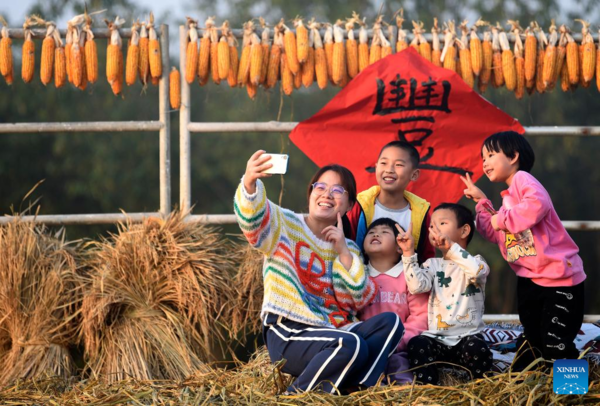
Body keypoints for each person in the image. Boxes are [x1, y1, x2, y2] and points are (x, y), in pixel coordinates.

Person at [234, 150, 404, 394]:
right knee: (350, 344)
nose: (327, 194)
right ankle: (294, 397)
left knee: (390, 323)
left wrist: (343, 252)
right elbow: (252, 222)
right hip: (289, 331)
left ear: (349, 205)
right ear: (311, 193)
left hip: (333, 331)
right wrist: (250, 182)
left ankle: (357, 390)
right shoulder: (285, 223)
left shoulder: (350, 249)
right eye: (320, 187)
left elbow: (355, 301)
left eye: (337, 191)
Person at [461, 131, 586, 371]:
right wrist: (482, 201)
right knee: (533, 341)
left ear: (514, 156)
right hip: (530, 280)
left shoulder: (523, 180)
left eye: (490, 154)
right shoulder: (508, 200)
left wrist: (500, 219)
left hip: (560, 280)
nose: (484, 162)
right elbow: (491, 230)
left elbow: (537, 205)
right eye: (482, 157)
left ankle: (573, 392)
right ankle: (528, 388)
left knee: (556, 343)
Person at [397, 203, 492, 385]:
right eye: (432, 226)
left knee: (478, 349)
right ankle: (429, 390)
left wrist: (452, 249)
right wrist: (408, 253)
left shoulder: (476, 262)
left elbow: (476, 272)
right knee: (418, 344)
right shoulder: (432, 264)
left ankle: (480, 389)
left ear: (464, 231)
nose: (434, 230)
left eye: (442, 223)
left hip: (468, 336)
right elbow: (417, 287)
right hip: (437, 338)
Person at [358, 217, 429, 384]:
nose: (376, 234)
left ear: (399, 247)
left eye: (384, 232)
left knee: (402, 379)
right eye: (371, 232)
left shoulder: (409, 276)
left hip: (398, 349)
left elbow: (421, 315)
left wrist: (400, 340)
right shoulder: (358, 276)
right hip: (365, 349)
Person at [346, 141, 435, 263]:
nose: (389, 169)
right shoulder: (360, 206)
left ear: (414, 174)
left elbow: (427, 259)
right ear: (376, 167)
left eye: (398, 165)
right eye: (384, 163)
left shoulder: (421, 214)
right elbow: (346, 244)